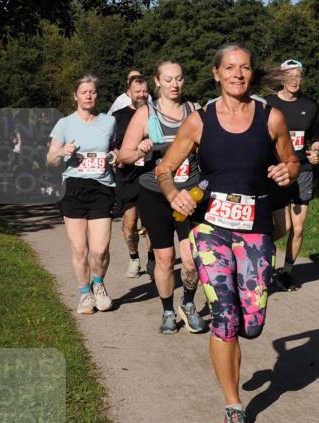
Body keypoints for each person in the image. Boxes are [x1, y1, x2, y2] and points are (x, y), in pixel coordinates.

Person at [157, 43, 298, 423]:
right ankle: (233, 406)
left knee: (251, 324)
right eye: (230, 68)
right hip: (210, 228)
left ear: (252, 74)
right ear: (216, 73)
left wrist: (287, 171)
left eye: (245, 68)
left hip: (254, 228)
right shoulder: (199, 122)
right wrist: (174, 195)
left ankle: (243, 338)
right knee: (225, 316)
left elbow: (291, 160)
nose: (238, 74)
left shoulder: (271, 118)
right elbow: (165, 169)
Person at [118, 60, 207, 336]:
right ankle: (168, 310)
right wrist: (140, 150)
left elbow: (211, 149)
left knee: (191, 258)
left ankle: (189, 305)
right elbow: (123, 155)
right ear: (157, 81)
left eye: (179, 79)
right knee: (165, 259)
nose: (175, 85)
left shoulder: (195, 111)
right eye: (168, 79)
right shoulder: (146, 114)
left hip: (189, 194)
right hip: (154, 194)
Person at [47, 75, 116, 314]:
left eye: (92, 92)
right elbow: (49, 158)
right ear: (75, 96)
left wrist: (116, 156)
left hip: (102, 186)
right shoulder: (65, 124)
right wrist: (62, 151)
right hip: (73, 187)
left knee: (100, 249)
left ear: (97, 95)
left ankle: (99, 284)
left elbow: (116, 149)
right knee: (79, 249)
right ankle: (85, 294)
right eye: (83, 92)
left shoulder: (109, 122)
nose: (88, 95)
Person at [264, 59, 319, 290]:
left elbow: (317, 137)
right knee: (283, 226)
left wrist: (316, 150)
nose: (294, 80)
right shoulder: (268, 104)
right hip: (276, 171)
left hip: (303, 170)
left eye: (298, 76)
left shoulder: (310, 105)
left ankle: (287, 272)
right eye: (289, 76)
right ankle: (260, 253)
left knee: (298, 227)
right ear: (281, 79)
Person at [111, 74, 150, 278]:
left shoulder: (156, 114)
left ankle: (152, 257)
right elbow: (110, 145)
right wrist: (115, 154)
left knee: (152, 221)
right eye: (138, 91)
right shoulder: (117, 117)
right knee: (130, 221)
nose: (142, 94)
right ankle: (134, 258)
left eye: (145, 91)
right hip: (128, 175)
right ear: (129, 93)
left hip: (150, 173)